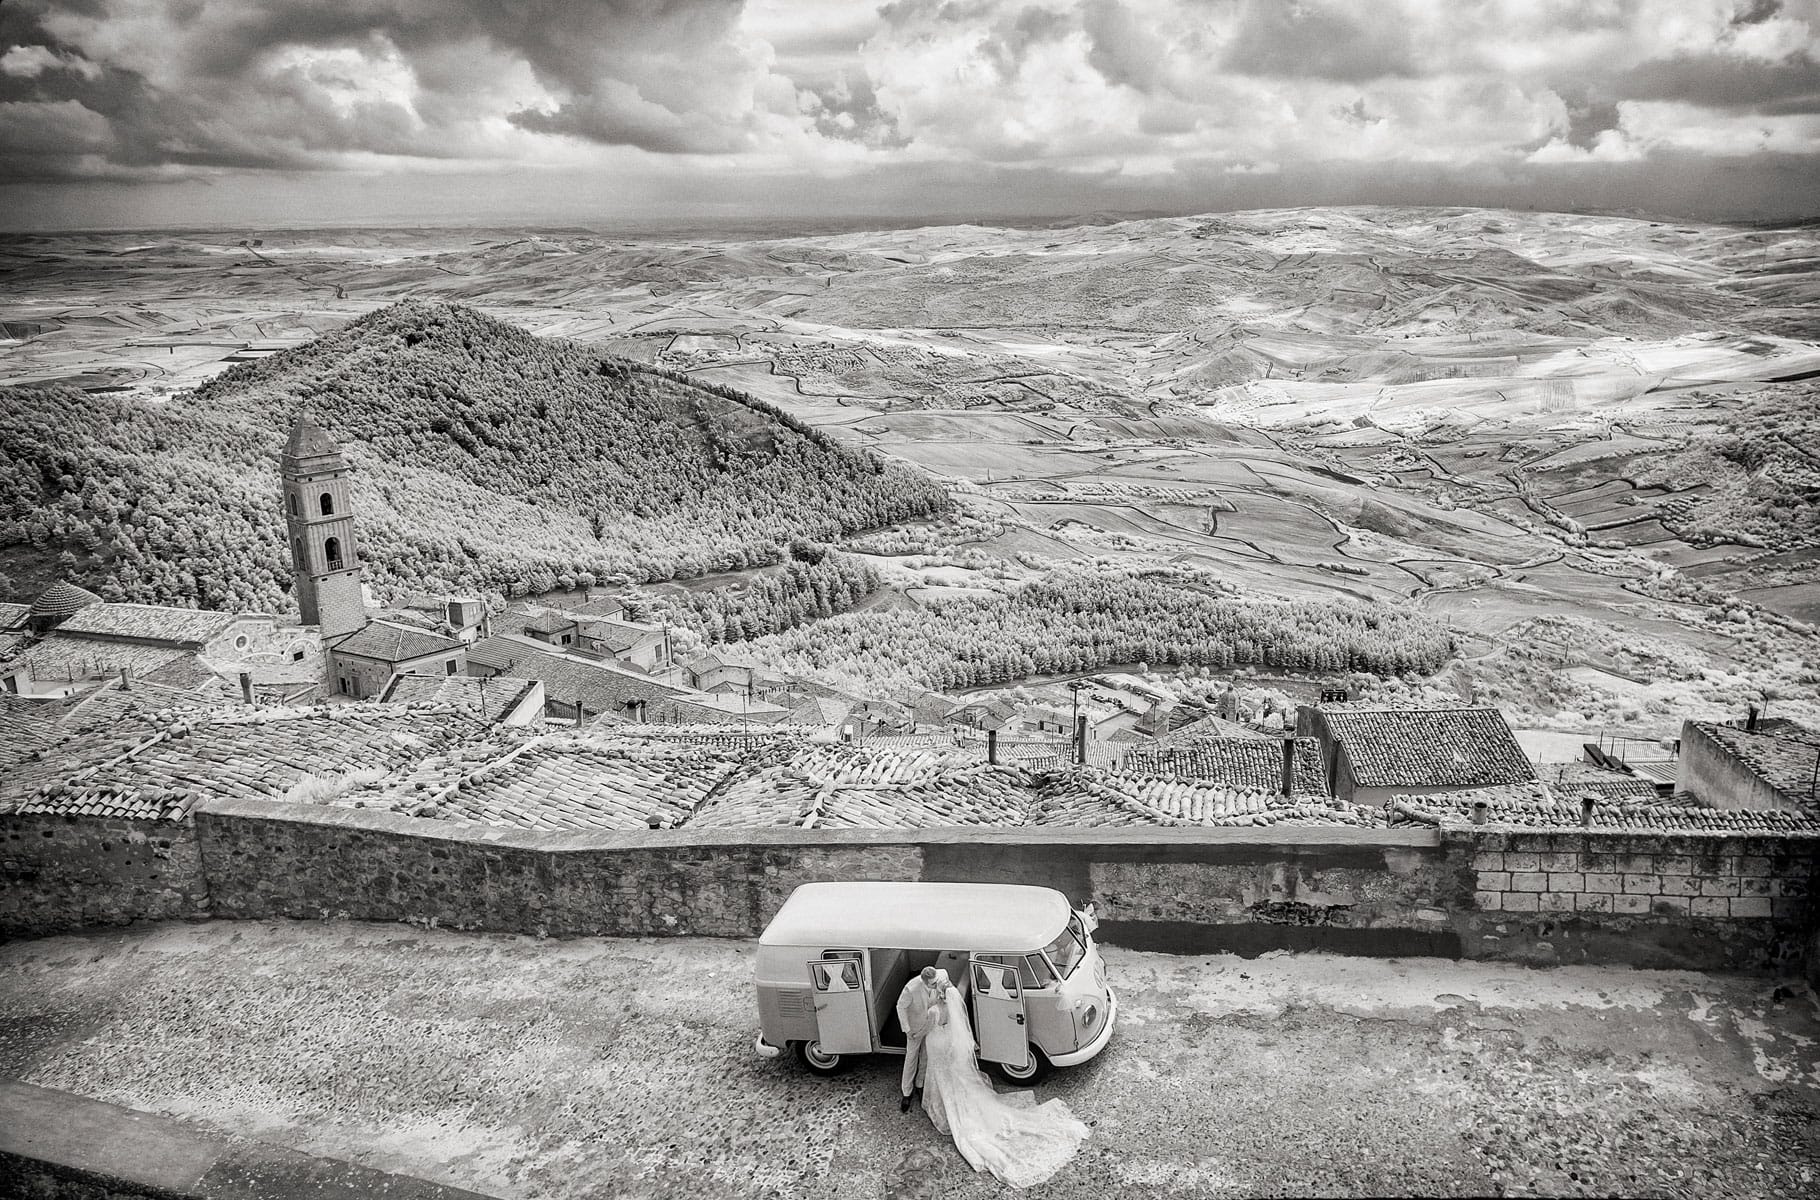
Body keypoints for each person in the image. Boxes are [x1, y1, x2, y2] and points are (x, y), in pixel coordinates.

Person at [920, 969, 1090, 1189]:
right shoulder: (951, 995)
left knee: (945, 1076)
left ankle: (949, 1104)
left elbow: (923, 1029)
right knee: (957, 1077)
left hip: (939, 1043)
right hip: (950, 1042)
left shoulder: (934, 1010)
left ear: (934, 987)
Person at [895, 965, 943, 1113]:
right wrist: (907, 1029)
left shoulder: (939, 978)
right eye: (932, 983)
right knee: (911, 1058)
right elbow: (900, 1007)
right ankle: (907, 1092)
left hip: (930, 1025)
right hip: (914, 1029)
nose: (936, 985)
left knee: (925, 1056)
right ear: (924, 981)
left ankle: (920, 1084)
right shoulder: (911, 988)